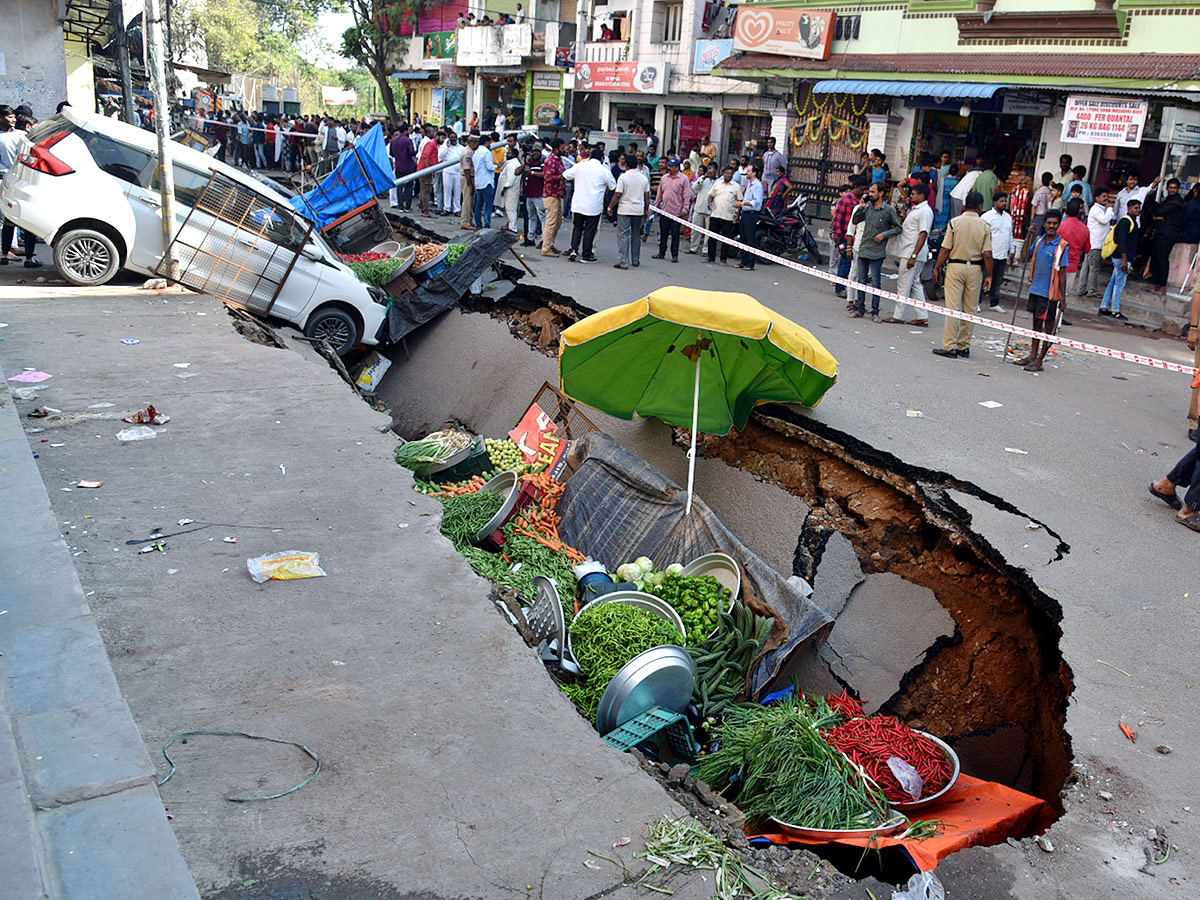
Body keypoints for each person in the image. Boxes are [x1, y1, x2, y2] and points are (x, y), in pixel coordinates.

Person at [932, 190, 993, 359]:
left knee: (953, 308)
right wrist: (990, 275)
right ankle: (963, 346)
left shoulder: (955, 223)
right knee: (970, 309)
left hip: (955, 266)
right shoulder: (985, 226)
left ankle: (949, 346)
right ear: (981, 207)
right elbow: (987, 254)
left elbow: (945, 249)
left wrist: (937, 268)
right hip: (975, 269)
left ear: (965, 205)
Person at [1013, 209, 1070, 372]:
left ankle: (1040, 359)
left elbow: (1063, 273)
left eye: (1054, 223)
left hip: (1050, 293)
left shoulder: (1062, 246)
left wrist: (1063, 298)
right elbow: (1024, 257)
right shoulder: (1039, 242)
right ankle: (1032, 355)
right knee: (1036, 324)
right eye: (1049, 223)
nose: (1051, 226)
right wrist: (1028, 237)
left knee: (1048, 326)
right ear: (1044, 224)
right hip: (1036, 289)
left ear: (1058, 225)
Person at [849, 181, 902, 320]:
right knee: (861, 281)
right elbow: (855, 220)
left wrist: (884, 235)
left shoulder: (889, 210)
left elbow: (898, 228)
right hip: (864, 248)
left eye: (873, 192)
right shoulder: (867, 208)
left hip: (877, 252)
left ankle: (875, 312)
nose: (870, 194)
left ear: (881, 193)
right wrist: (861, 207)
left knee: (876, 283)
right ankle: (860, 309)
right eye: (869, 192)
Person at [882, 182, 932, 327]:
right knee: (915, 283)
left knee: (903, 284)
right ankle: (922, 315)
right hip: (909, 251)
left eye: (914, 194)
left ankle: (898, 315)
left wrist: (913, 256)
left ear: (921, 196)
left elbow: (923, 234)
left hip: (912, 252)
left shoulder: (925, 211)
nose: (911, 196)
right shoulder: (916, 209)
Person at [0, 105, 39, 268]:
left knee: (25, 219)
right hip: (5, 180)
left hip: (22, 180)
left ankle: (28, 258)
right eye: (9, 117)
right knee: (8, 220)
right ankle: (6, 254)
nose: (13, 119)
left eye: (14, 117)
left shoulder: (22, 136)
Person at [562, 146, 615, 262]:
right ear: (602, 159)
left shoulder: (581, 165)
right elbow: (613, 186)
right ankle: (586, 255)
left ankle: (574, 250)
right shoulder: (603, 170)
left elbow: (565, 175)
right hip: (593, 205)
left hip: (578, 203)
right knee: (590, 230)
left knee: (577, 227)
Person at [1099, 198, 1141, 322]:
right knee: (1119, 284)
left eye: (1139, 208)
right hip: (1121, 258)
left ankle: (1104, 307)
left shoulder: (1130, 222)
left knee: (1113, 282)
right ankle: (1115, 310)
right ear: (1129, 208)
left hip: (1122, 258)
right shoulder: (1126, 222)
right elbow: (1122, 242)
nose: (1138, 210)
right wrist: (1125, 260)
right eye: (1136, 208)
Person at [608, 153, 650, 269]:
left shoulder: (623, 177)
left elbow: (617, 194)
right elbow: (647, 197)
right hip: (638, 210)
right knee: (636, 235)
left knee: (623, 235)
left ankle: (623, 261)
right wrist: (646, 211)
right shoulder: (643, 178)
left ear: (626, 164)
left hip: (625, 209)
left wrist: (610, 206)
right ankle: (635, 260)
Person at [830, 178, 867, 299]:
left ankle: (848, 289)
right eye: (862, 188)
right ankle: (840, 288)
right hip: (845, 236)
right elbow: (837, 219)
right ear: (856, 187)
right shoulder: (845, 200)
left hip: (856, 237)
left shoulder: (860, 201)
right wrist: (838, 237)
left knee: (852, 265)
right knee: (845, 263)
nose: (864, 191)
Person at [1149, 178, 1185, 295]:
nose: (1172, 190)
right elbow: (1157, 212)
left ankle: (1162, 286)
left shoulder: (1177, 202)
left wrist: (1160, 216)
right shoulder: (1167, 200)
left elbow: (1160, 211)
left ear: (1178, 189)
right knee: (1155, 257)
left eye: (1174, 188)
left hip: (1168, 234)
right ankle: (1153, 284)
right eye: (1170, 188)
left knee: (1162, 259)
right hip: (1160, 232)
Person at [980, 191, 1014, 313]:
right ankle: (977, 302)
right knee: (984, 278)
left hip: (1003, 253)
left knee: (998, 280)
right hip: (990, 253)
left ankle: (994, 303)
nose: (1004, 203)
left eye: (1005, 201)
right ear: (995, 202)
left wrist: (1012, 249)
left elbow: (1010, 235)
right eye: (1001, 201)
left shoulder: (1008, 217)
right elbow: (981, 235)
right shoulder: (987, 217)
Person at [1077, 190, 1114, 298]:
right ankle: (1091, 290)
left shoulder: (1100, 209)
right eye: (1103, 196)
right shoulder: (1097, 209)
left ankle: (1082, 289)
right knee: (1094, 268)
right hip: (1096, 244)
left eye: (1107, 196)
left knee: (1087, 266)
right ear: (1097, 198)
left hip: (1093, 243)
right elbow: (1104, 219)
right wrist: (1110, 209)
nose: (1106, 198)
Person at [652, 157, 689, 263]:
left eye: (672, 166)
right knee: (663, 233)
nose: (670, 168)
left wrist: (685, 209)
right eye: (669, 166)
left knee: (675, 235)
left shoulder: (683, 179)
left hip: (676, 212)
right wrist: (656, 205)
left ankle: (674, 255)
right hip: (665, 210)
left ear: (677, 167)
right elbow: (660, 193)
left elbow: (686, 195)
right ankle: (661, 252)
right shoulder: (664, 178)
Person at [707, 165, 743, 265]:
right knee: (712, 237)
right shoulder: (717, 184)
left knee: (726, 238)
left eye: (731, 174)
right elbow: (710, 195)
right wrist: (709, 204)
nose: (729, 175)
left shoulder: (736, 186)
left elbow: (740, 201)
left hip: (728, 216)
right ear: (723, 173)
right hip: (715, 214)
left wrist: (737, 215)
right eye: (727, 173)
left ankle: (723, 259)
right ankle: (711, 257)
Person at [1057, 198, 1091, 300]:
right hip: (1072, 265)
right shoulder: (1084, 229)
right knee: (1064, 295)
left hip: (1056, 263)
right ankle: (1059, 315)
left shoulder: (1060, 226)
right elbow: (1087, 249)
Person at [736, 163, 765, 271]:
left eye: (749, 171)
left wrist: (743, 204)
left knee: (750, 239)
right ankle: (743, 261)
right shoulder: (749, 183)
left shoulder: (758, 186)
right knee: (743, 237)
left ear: (754, 173)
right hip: (745, 213)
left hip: (752, 214)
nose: (747, 173)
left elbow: (756, 202)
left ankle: (750, 263)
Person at [541, 139, 567, 256]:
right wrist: (561, 177)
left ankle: (551, 243)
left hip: (557, 194)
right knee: (551, 222)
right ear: (556, 149)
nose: (564, 150)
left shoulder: (558, 159)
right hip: (551, 194)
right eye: (562, 148)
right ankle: (546, 248)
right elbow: (548, 177)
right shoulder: (551, 161)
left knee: (558, 221)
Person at [687, 163, 717, 255]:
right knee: (695, 230)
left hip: (711, 210)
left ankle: (705, 250)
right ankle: (693, 248)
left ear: (715, 170)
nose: (710, 171)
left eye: (712, 169)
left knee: (708, 232)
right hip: (699, 208)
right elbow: (694, 187)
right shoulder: (703, 180)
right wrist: (702, 178)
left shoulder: (718, 181)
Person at [472, 133, 498, 228]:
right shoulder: (487, 153)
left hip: (479, 181)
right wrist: (498, 166)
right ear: (486, 142)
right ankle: (487, 224)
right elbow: (490, 167)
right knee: (488, 205)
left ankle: (478, 223)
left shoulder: (476, 152)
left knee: (478, 205)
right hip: (487, 182)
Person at [391, 124, 417, 211]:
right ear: (406, 131)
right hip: (408, 166)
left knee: (399, 186)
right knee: (409, 186)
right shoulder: (408, 141)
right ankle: (408, 206)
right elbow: (412, 152)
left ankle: (400, 205)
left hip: (398, 166)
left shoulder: (393, 141)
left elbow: (391, 153)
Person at [497, 146, 523, 232]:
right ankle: (510, 226)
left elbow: (511, 179)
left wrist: (505, 188)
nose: (507, 154)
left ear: (514, 155)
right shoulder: (512, 163)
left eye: (509, 153)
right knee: (510, 209)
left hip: (510, 190)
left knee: (510, 209)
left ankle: (512, 228)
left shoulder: (512, 164)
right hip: (511, 190)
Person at [523, 146, 546, 245]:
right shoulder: (529, 162)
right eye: (534, 152)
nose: (535, 153)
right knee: (531, 216)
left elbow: (544, 174)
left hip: (538, 193)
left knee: (542, 217)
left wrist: (532, 172)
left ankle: (543, 239)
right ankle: (530, 237)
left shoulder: (543, 162)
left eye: (537, 151)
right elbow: (518, 172)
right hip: (529, 193)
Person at [417, 124, 440, 217]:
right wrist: (428, 170)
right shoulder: (431, 143)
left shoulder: (430, 143)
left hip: (424, 169)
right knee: (426, 190)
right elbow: (426, 157)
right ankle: (425, 210)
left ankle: (423, 208)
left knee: (424, 190)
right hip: (425, 170)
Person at [440, 130, 465, 216]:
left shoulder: (461, 148)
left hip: (458, 173)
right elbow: (440, 156)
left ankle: (457, 210)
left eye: (454, 137)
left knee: (457, 192)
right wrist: (446, 146)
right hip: (447, 172)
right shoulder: (445, 147)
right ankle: (446, 208)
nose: (453, 139)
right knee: (447, 191)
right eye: (451, 138)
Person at [460, 132, 479, 230]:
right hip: (468, 177)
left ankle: (470, 220)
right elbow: (466, 170)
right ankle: (465, 221)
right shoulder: (467, 152)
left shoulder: (471, 151)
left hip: (471, 177)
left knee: (471, 201)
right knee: (467, 200)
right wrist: (470, 184)